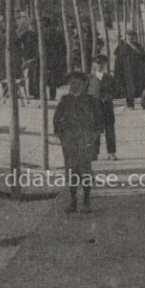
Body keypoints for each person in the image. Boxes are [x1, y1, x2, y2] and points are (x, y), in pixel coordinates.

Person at [54, 70, 103, 213]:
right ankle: (73, 201)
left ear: (84, 84)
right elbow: (57, 119)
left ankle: (86, 200)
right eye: (72, 83)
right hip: (69, 140)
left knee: (85, 168)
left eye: (78, 83)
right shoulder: (65, 100)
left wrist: (94, 136)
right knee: (71, 169)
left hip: (85, 138)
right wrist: (61, 134)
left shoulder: (90, 100)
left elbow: (99, 121)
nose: (75, 86)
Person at [88, 53, 118, 160]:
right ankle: (94, 152)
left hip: (107, 107)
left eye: (102, 63)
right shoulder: (89, 78)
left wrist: (109, 97)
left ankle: (111, 152)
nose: (100, 65)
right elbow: (86, 93)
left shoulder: (109, 78)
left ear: (105, 64)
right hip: (95, 108)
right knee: (95, 130)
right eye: (97, 63)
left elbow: (116, 91)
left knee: (109, 130)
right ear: (93, 65)